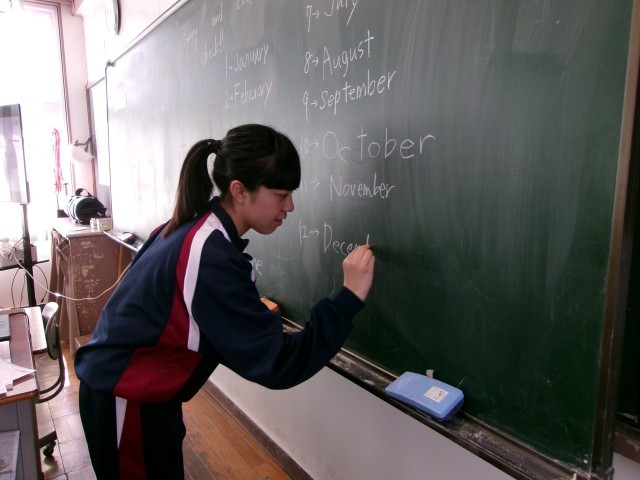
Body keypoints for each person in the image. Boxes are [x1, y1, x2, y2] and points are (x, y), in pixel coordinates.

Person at [74, 124, 375, 479]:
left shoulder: (200, 227)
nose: (290, 206)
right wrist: (348, 298)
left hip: (139, 393)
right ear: (239, 190)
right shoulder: (209, 255)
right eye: (281, 195)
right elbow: (279, 363)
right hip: (125, 396)